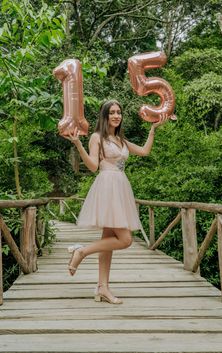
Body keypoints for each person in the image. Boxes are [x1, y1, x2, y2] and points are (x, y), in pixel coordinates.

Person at [66, 99, 168, 304]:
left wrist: (152, 130)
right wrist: (78, 144)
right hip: (107, 186)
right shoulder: (97, 137)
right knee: (125, 239)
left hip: (121, 187)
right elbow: (94, 166)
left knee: (108, 242)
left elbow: (145, 151)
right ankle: (81, 251)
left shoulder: (121, 140)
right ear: (105, 116)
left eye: (119, 112)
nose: (116, 116)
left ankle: (103, 287)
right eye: (112, 112)